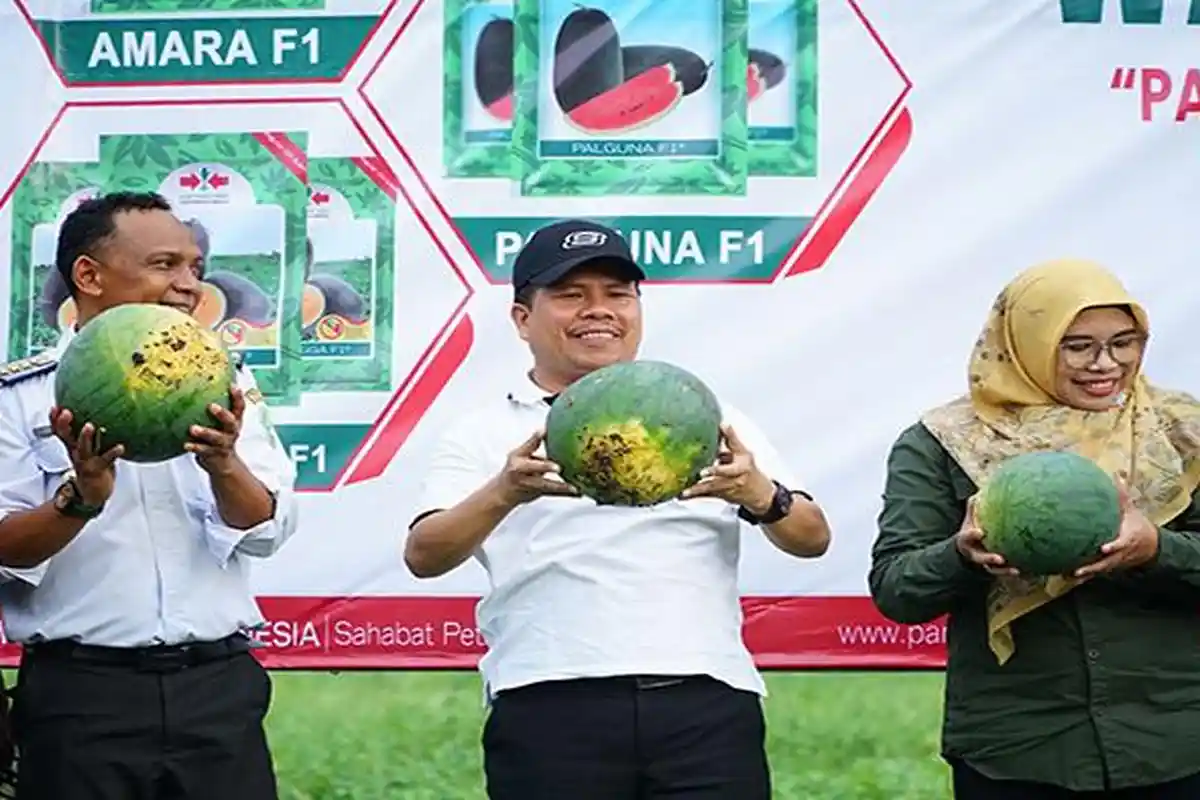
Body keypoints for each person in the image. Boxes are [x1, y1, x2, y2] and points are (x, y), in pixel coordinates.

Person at [404, 219, 832, 799]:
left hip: (704, 700)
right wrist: (505, 490)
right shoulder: (484, 431)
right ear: (522, 319)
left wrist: (760, 493)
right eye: (571, 295)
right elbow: (425, 554)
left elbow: (812, 537)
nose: (598, 310)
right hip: (549, 701)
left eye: (617, 294)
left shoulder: (705, 418)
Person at [0, 191, 299, 800]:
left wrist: (224, 463)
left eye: (196, 268)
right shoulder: (20, 397)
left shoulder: (227, 384)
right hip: (83, 700)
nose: (189, 286)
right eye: (166, 265)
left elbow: (265, 526)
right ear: (89, 275)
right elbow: (6, 548)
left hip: (217, 690)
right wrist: (78, 498)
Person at [868, 258, 1200, 799]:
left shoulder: (1181, 434)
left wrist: (1158, 549)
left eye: (1124, 342)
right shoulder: (941, 443)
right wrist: (961, 555)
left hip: (1173, 743)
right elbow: (897, 590)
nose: (1106, 363)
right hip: (1017, 749)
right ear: (1024, 341)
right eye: (1076, 346)